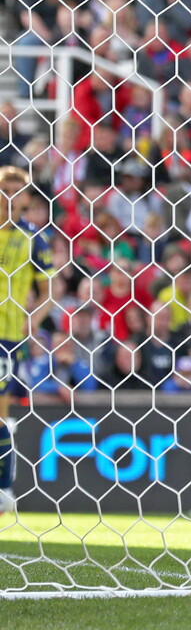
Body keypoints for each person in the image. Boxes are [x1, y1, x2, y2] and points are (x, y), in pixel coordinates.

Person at [0, 167, 54, 516]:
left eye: (17, 192)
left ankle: (4, 489)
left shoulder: (33, 236)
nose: (10, 197)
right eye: (5, 188)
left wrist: (29, 324)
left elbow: (48, 292)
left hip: (5, 338)